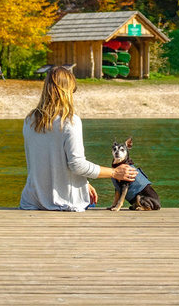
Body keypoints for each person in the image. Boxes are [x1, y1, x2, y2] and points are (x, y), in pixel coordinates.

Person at [20, 65, 137, 211]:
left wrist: (83, 183)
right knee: (92, 204)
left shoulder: (29, 120)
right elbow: (77, 165)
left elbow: (46, 161)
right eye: (72, 91)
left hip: (31, 202)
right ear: (67, 92)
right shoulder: (70, 122)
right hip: (65, 203)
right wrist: (114, 172)